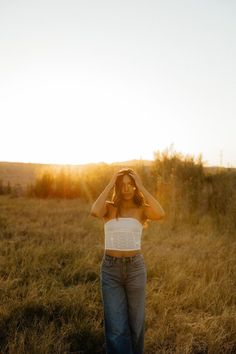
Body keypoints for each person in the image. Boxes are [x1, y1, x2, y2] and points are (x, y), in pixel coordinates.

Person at [90, 168, 165, 354]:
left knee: (136, 324)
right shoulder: (109, 208)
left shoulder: (141, 210)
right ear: (117, 187)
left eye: (130, 184)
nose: (126, 189)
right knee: (116, 327)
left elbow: (160, 213)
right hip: (111, 270)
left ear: (135, 186)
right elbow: (94, 211)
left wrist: (142, 186)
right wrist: (109, 184)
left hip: (135, 270)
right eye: (122, 185)